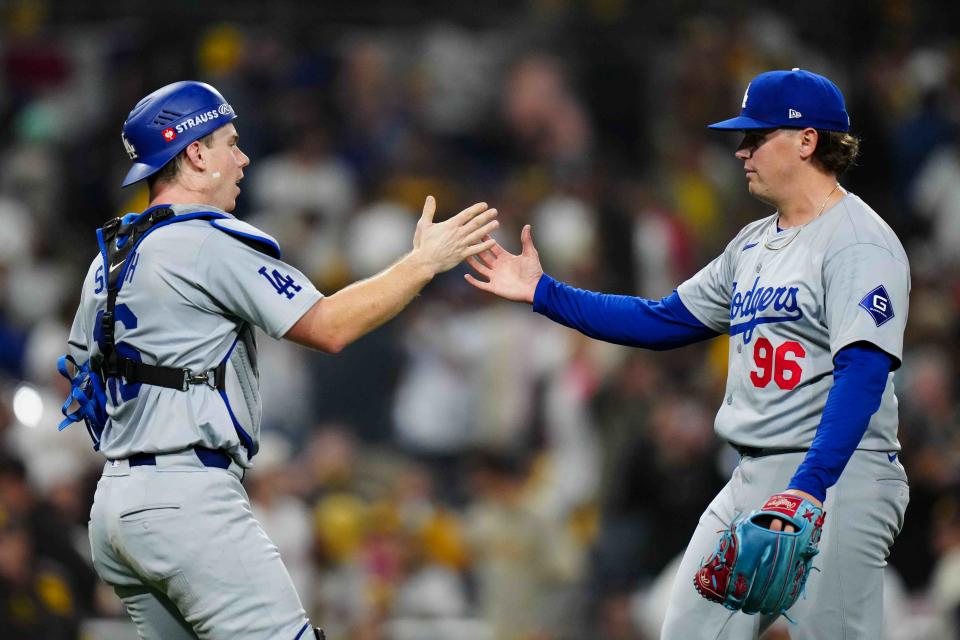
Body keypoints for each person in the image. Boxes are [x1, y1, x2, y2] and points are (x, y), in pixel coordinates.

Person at [465, 68, 910, 639]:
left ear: (807, 140)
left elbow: (864, 371)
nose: (742, 150)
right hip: (753, 474)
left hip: (839, 478)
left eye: (757, 136)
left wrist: (811, 485)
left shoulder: (858, 241)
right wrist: (543, 292)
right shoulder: (751, 244)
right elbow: (662, 320)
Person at [62, 80, 498, 640]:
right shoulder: (205, 241)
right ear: (195, 152)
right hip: (187, 499)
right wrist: (421, 264)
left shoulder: (110, 255)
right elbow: (331, 328)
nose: (243, 158)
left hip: (115, 506)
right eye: (230, 142)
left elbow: (80, 377)